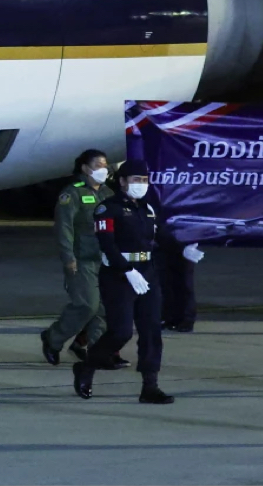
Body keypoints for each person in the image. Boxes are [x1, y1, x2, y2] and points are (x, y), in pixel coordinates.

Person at [73, 160, 191, 404]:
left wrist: (184, 249)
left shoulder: (147, 209)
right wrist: (127, 270)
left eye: (145, 180)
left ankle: (150, 386)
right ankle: (87, 366)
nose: (141, 185)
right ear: (123, 181)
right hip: (118, 275)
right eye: (136, 180)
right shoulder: (107, 209)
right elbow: (108, 244)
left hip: (146, 272)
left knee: (151, 331)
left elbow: (162, 237)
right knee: (121, 331)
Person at [42, 149, 111, 366]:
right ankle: (53, 338)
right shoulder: (72, 194)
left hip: (106, 259)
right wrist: (68, 257)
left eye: (105, 165)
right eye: (98, 165)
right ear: (85, 168)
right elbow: (64, 228)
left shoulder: (108, 194)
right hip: (82, 259)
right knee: (87, 305)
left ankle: (94, 350)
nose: (104, 169)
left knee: (106, 309)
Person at [158, 209, 200, 334]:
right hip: (163, 240)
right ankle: (170, 317)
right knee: (166, 282)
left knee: (184, 283)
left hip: (186, 239)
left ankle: (186, 319)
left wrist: (195, 241)